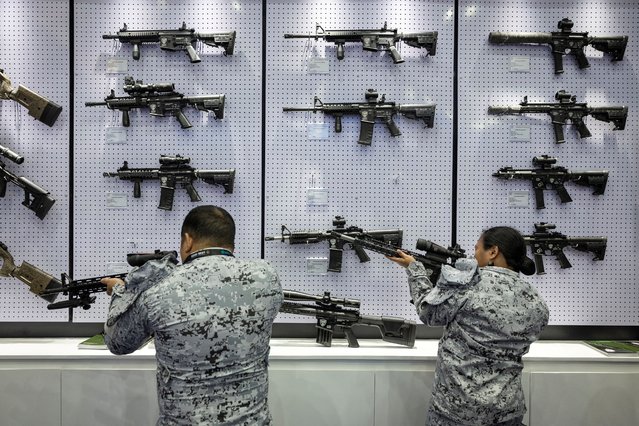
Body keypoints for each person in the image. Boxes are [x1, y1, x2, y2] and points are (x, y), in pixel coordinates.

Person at [101, 205, 283, 425]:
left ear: (187, 240)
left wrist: (121, 292)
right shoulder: (267, 278)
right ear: (231, 244)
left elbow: (118, 343)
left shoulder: (160, 290)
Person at [387, 226, 549, 426]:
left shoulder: (468, 283)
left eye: (476, 249)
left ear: (493, 252)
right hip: (507, 410)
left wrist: (415, 271)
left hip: (457, 410)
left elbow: (429, 314)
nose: (474, 255)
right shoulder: (536, 300)